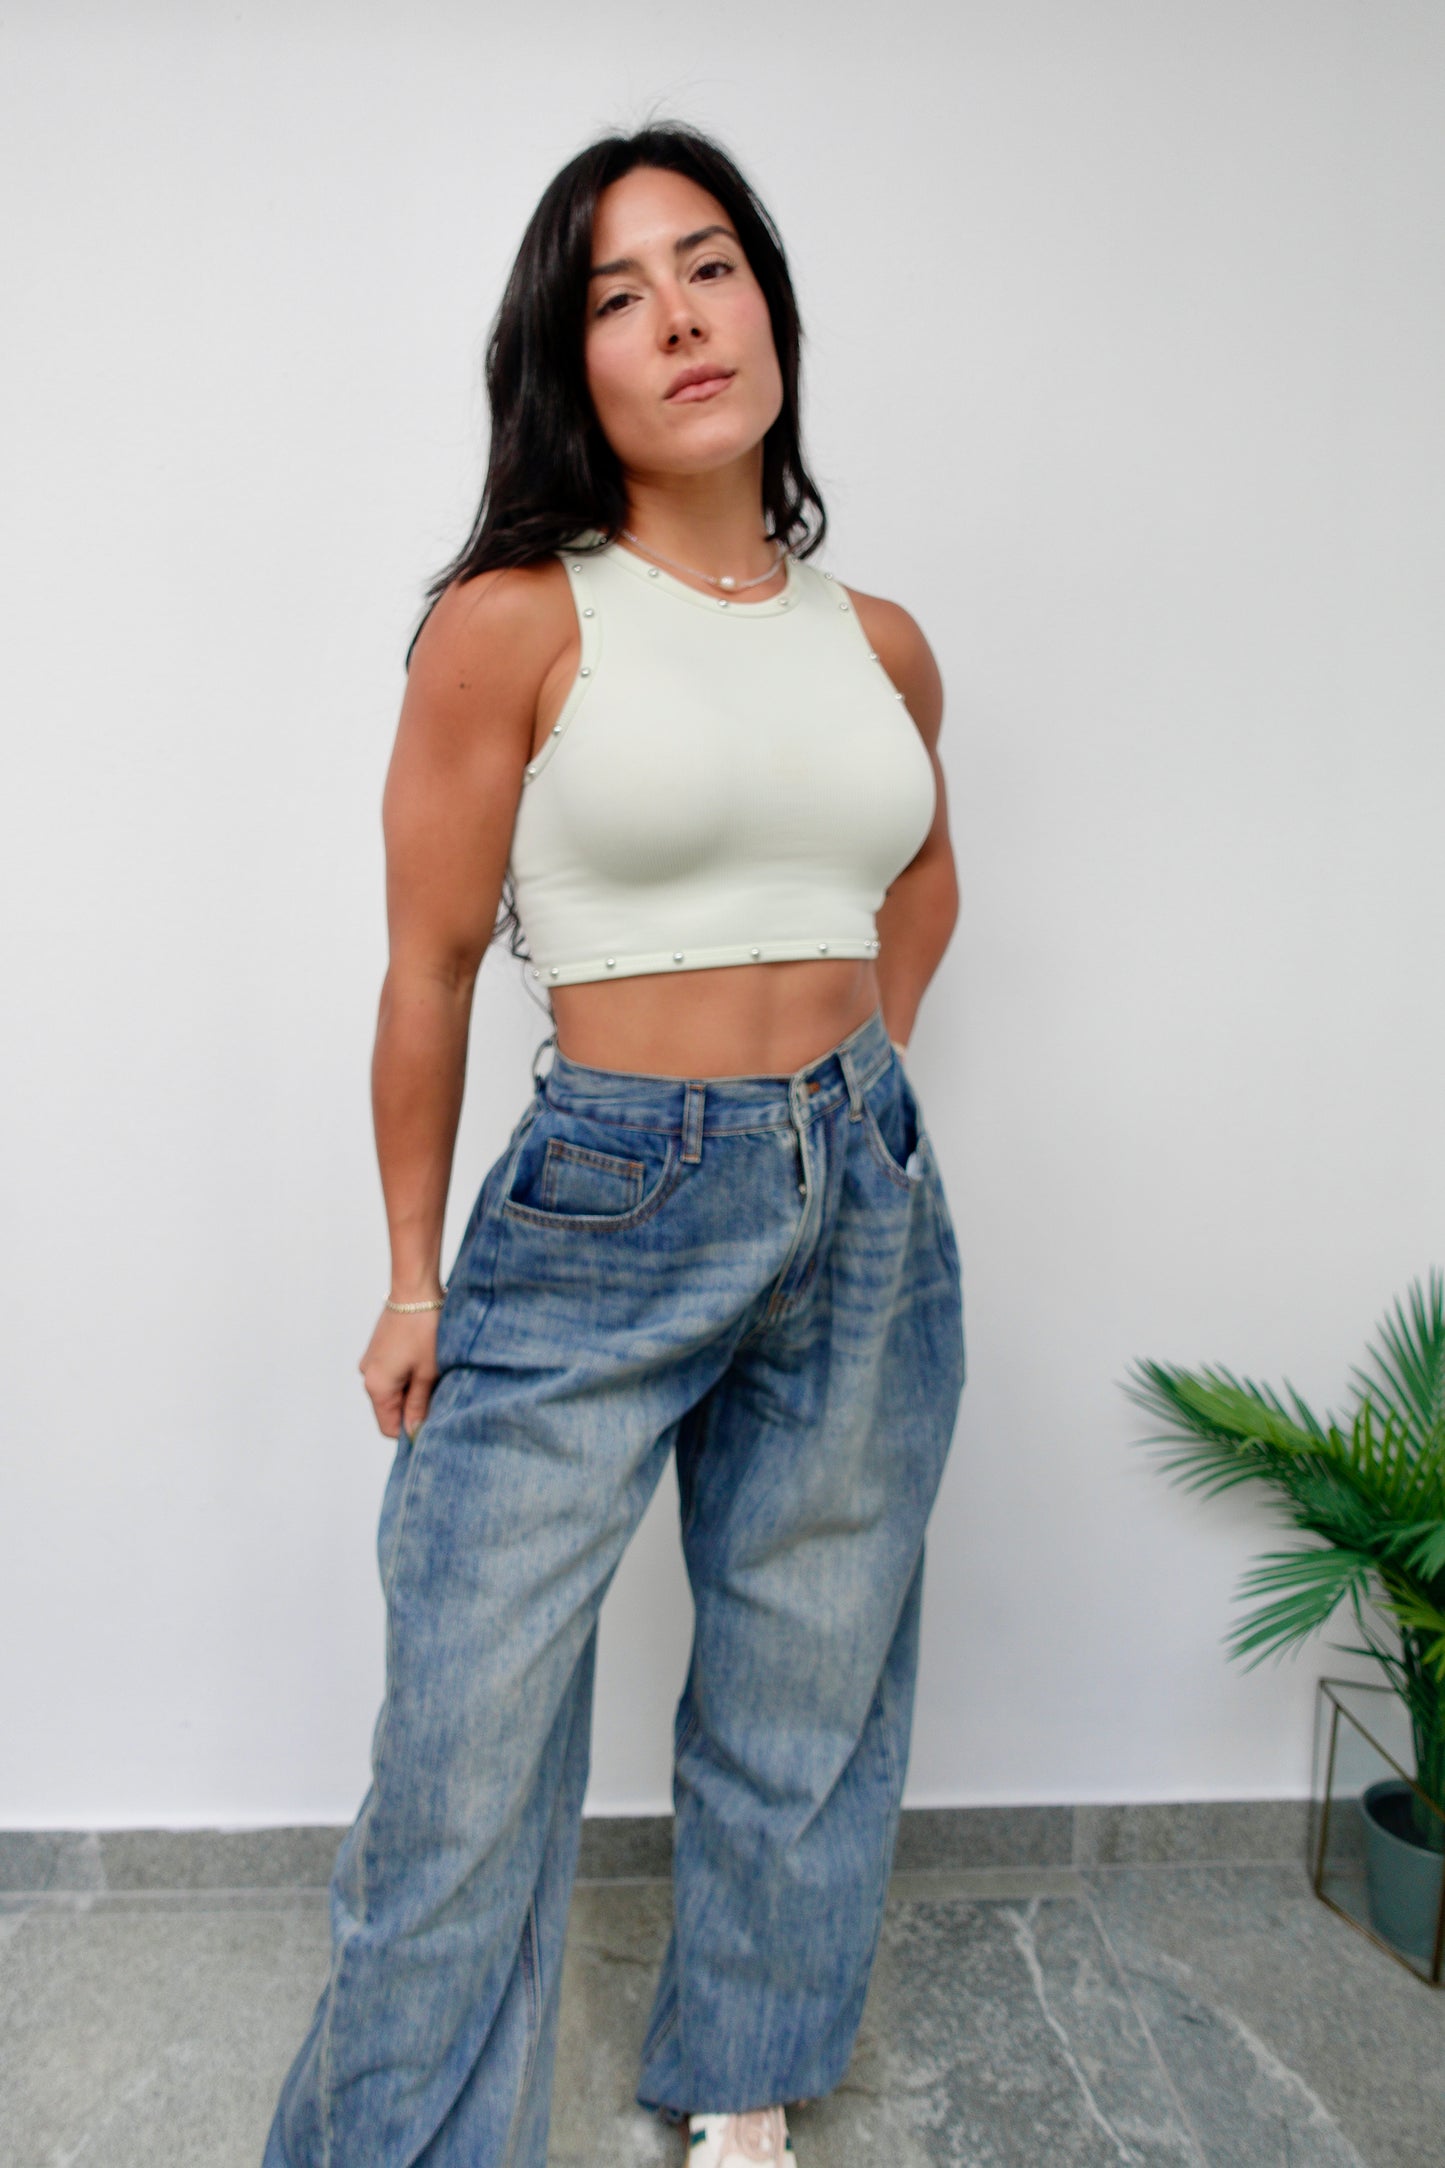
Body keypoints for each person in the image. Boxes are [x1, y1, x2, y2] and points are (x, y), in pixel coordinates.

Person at [263, 119, 965, 2168]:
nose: (679, 318)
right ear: (566, 362)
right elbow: (429, 967)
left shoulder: (878, 639)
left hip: (865, 1204)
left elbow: (919, 875)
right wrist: (413, 1277)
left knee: (809, 1668)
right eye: (618, 293)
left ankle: (741, 2087)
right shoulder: (515, 619)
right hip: (606, 1195)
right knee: (466, 1737)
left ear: (770, 308)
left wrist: (862, 1098)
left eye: (711, 265)